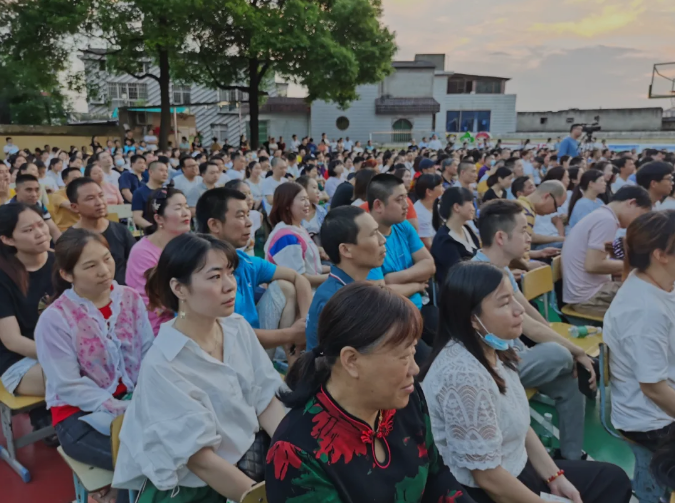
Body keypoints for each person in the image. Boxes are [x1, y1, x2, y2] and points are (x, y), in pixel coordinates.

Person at [420, 261, 632, 503]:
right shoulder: (464, 377)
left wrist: (555, 477)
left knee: (612, 480)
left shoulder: (492, 347)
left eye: (514, 297)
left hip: (515, 467)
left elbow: (521, 426)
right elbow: (489, 479)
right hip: (485, 491)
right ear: (473, 319)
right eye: (504, 302)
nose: (519, 309)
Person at [113, 233, 286, 502]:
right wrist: (265, 498)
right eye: (215, 277)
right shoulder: (163, 365)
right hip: (195, 490)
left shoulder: (236, 327)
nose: (230, 285)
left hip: (248, 464)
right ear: (179, 289)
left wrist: (296, 455)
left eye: (230, 273)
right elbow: (201, 461)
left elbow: (265, 399)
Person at [267, 282, 472, 503]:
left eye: (413, 352)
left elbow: (437, 476)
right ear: (352, 361)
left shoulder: (405, 399)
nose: (414, 368)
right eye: (404, 356)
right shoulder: (297, 452)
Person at [34, 230, 152, 503]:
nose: (104, 270)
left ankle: (111, 493)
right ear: (67, 274)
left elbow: (148, 351)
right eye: (90, 266)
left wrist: (144, 400)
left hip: (134, 401)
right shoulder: (56, 319)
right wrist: (120, 407)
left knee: (175, 448)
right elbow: (69, 386)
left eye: (107, 259)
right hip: (78, 416)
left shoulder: (130, 298)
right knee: (146, 460)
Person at [474, 200, 596, 460]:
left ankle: (571, 457)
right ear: (500, 237)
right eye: (523, 231)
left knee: (571, 382)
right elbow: (527, 326)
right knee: (561, 355)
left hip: (515, 356)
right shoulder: (482, 275)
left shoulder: (502, 268)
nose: (529, 237)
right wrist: (575, 351)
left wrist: (554, 333)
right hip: (493, 367)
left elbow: (528, 311)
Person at [196, 187, 311, 357]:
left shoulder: (244, 260)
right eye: (241, 216)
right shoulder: (198, 271)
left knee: (286, 286)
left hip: (252, 346)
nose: (249, 222)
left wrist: (304, 321)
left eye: (248, 214)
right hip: (219, 355)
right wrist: (293, 333)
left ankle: (294, 368)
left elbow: (297, 277)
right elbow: (227, 334)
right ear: (214, 225)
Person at [604, 210, 675, 452]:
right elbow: (654, 389)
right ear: (661, 255)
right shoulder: (644, 312)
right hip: (655, 422)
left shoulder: (659, 281)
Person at [367, 174, 436, 353]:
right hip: (393, 320)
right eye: (399, 200)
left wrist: (393, 278)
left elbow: (429, 264)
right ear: (378, 205)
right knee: (428, 360)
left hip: (420, 308)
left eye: (406, 197)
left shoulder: (403, 227)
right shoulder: (367, 239)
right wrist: (417, 284)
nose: (407, 205)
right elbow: (380, 293)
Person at [562, 186, 652, 317]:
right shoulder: (606, 220)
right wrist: (634, 266)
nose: (637, 222)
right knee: (651, 302)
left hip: (588, 292)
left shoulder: (602, 215)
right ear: (631, 203)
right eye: (640, 216)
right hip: (589, 298)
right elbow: (593, 265)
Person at [305, 206, 387, 349]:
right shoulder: (337, 301)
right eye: (373, 234)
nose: (383, 240)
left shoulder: (352, 289)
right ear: (346, 250)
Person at [0, 204, 54, 398]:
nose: (40, 233)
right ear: (7, 239)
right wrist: (64, 355)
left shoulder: (62, 262)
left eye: (41, 224)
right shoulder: (4, 276)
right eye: (28, 230)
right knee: (70, 378)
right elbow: (12, 340)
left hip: (69, 351)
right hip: (20, 359)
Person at [126, 188, 191, 335]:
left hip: (185, 315)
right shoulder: (143, 252)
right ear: (159, 219)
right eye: (178, 208)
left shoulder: (188, 243)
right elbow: (153, 303)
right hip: (157, 327)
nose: (186, 212)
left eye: (186, 206)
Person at [64, 178, 136, 285]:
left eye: (101, 195)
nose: (99, 202)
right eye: (90, 198)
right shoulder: (68, 240)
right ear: (74, 207)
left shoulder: (121, 230)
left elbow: (136, 265)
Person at [265, 183, 329, 288]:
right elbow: (300, 278)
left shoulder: (298, 228)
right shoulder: (285, 237)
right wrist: (333, 277)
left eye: (307, 198)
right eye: (302, 199)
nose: (308, 203)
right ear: (286, 204)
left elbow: (312, 268)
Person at [431, 187, 480, 284]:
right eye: (470, 203)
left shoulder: (467, 229)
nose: (473, 208)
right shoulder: (444, 240)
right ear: (457, 207)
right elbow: (460, 275)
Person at [12, 174, 61, 242]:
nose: (34, 194)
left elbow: (54, 231)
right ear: (16, 190)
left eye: (37, 190)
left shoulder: (39, 204)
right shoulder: (8, 209)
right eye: (29, 190)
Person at [532, 167, 569, 250]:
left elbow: (557, 220)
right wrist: (561, 239)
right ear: (546, 197)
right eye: (556, 206)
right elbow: (532, 238)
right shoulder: (524, 211)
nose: (555, 211)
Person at [131, 160, 169, 230]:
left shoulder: (169, 192)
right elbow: (137, 218)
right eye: (161, 170)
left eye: (166, 171)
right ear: (150, 172)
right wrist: (155, 229)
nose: (165, 174)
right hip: (152, 233)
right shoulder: (139, 192)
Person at [413, 174, 444, 249]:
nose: (443, 189)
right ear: (429, 192)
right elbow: (428, 245)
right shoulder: (419, 214)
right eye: (440, 186)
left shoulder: (437, 206)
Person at [50, 167, 83, 231]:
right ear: (65, 181)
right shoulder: (58, 194)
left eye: (80, 178)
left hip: (84, 228)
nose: (79, 181)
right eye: (75, 179)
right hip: (66, 230)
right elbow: (72, 207)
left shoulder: (84, 192)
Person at [296, 175, 327, 239]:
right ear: (303, 189)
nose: (318, 192)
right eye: (314, 187)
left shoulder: (321, 211)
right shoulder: (294, 214)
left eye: (318, 188)